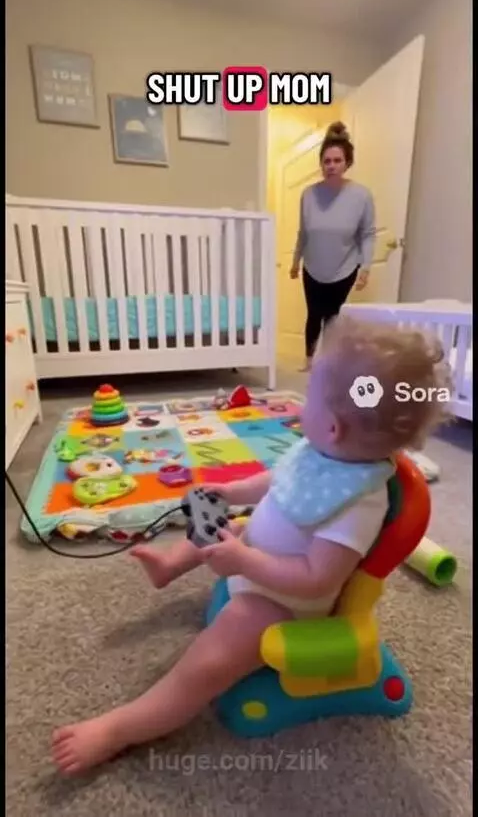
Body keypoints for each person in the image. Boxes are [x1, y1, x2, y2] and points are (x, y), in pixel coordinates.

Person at [51, 315, 451, 775]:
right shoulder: (320, 453)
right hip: (257, 557)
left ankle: (119, 729)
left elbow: (317, 579)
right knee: (228, 526)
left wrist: (244, 562)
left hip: (283, 604)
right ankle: (170, 565)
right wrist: (231, 492)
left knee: (204, 664)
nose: (301, 406)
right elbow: (275, 481)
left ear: (333, 427)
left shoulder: (358, 502)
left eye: (311, 396)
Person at [289, 121, 376, 372]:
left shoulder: (361, 196)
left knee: (333, 317)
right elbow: (303, 232)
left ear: (347, 163)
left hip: (344, 266)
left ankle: (328, 363)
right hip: (313, 266)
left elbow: (368, 234)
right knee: (314, 313)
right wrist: (295, 262)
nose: (331, 166)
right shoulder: (308, 195)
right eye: (326, 161)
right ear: (321, 164)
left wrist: (366, 267)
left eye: (337, 160)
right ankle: (309, 360)